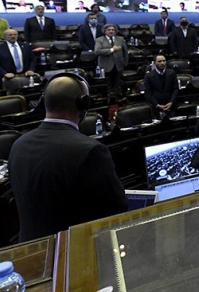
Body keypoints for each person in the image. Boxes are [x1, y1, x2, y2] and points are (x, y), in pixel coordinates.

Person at [9, 74, 126, 241]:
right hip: (72, 249)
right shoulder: (90, 150)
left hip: (30, 248)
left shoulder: (18, 145)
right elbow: (117, 207)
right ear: (83, 104)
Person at [95, 24, 129, 98]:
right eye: (109, 30)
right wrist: (112, 50)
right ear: (105, 31)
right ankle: (107, 99)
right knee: (107, 85)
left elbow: (125, 52)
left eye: (113, 30)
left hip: (118, 65)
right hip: (106, 66)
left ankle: (119, 98)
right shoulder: (99, 40)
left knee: (118, 84)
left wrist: (125, 63)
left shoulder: (120, 39)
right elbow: (97, 51)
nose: (111, 31)